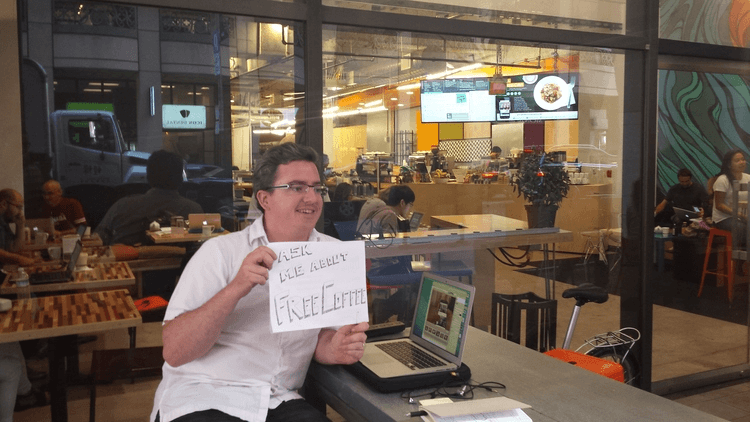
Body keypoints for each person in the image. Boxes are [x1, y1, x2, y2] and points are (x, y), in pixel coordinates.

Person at [150, 143, 368, 422]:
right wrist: (236, 288)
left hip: (279, 399)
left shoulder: (333, 255)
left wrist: (335, 348)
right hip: (203, 395)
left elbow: (323, 338)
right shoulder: (220, 252)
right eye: (297, 187)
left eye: (316, 188)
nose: (312, 198)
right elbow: (176, 351)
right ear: (264, 199)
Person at [95, 150, 203, 246]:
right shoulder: (194, 212)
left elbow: (95, 241)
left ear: (148, 177)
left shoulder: (121, 207)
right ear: (180, 179)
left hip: (125, 267)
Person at [711, 149, 750, 245]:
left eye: (743, 159)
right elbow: (719, 205)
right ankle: (738, 257)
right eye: (737, 160)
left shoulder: (748, 178)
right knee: (742, 228)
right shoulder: (722, 180)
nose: (742, 162)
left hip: (743, 216)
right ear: (729, 165)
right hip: (724, 218)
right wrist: (740, 215)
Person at [0, 189, 35, 266]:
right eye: (18, 207)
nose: (20, 212)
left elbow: (15, 249)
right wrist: (19, 259)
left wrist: (20, 225)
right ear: (4, 204)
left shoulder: (3, 223)